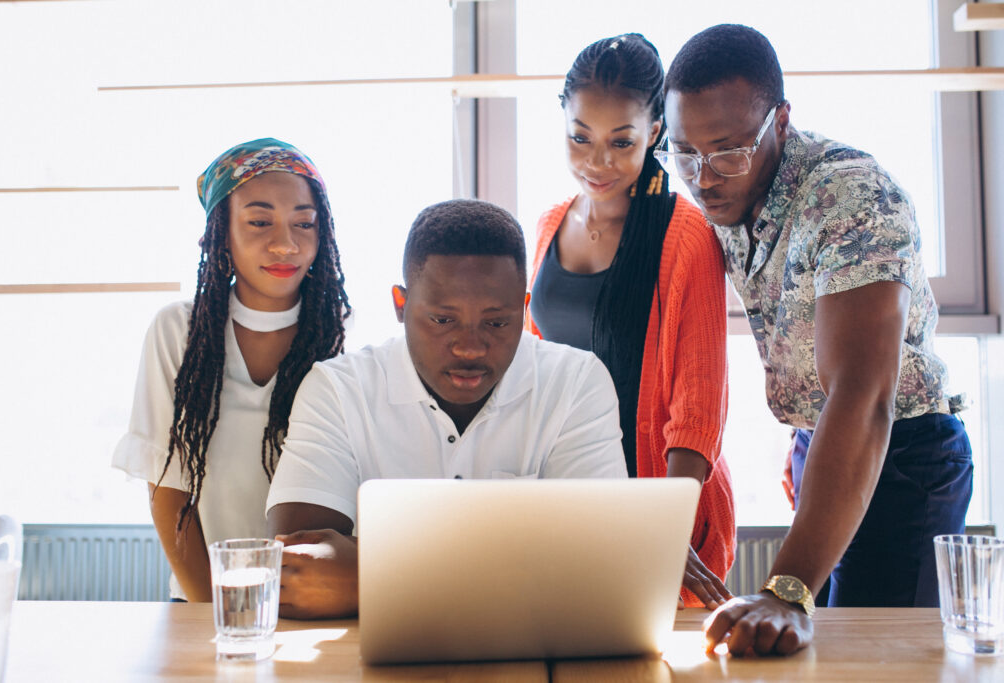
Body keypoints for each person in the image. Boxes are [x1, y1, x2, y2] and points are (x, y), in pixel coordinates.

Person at [659, 24, 973, 655]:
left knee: (877, 664)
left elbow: (862, 395)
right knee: (812, 661)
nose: (703, 176)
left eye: (725, 152)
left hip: (901, 459)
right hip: (821, 446)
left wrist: (787, 588)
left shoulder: (851, 198)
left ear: (780, 121)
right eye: (683, 152)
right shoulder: (720, 189)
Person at [266, 199, 628, 619]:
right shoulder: (339, 389)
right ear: (401, 305)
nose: (469, 347)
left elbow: (600, 566)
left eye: (496, 323)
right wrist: (527, 567)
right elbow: (298, 573)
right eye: (442, 320)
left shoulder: (577, 382)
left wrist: (372, 578)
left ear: (523, 308)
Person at [526, 34, 734, 610]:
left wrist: (661, 530)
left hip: (659, 509)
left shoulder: (685, 236)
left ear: (656, 134)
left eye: (622, 142)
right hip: (565, 508)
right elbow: (533, 371)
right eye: (580, 138)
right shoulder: (547, 226)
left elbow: (698, 411)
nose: (597, 162)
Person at [112, 138, 351, 602]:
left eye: (304, 223)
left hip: (313, 606)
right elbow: (169, 493)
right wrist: (215, 612)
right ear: (221, 233)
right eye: (260, 221)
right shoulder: (177, 331)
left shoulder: (343, 336)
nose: (286, 243)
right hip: (203, 601)